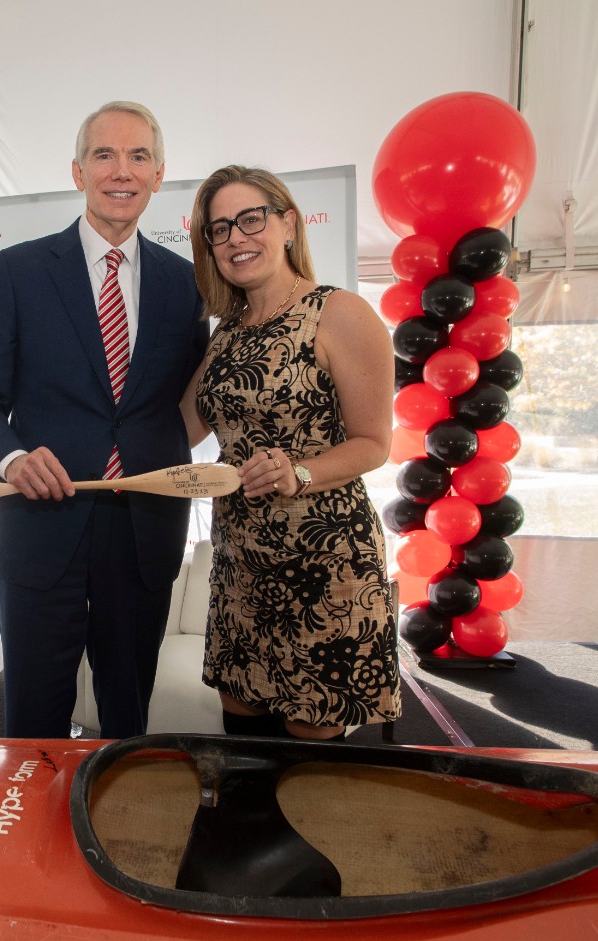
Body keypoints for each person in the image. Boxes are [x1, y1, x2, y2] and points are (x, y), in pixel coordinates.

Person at [0, 101, 209, 739]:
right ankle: (30, 834)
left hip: (145, 530)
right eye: (104, 154)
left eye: (138, 156)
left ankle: (118, 832)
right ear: (77, 171)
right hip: (41, 528)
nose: (120, 171)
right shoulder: (18, 272)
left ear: (158, 175)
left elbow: (195, 403)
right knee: (35, 719)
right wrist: (11, 458)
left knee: (128, 716)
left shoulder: (189, 285)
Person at [180, 165, 401, 741]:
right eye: (219, 229)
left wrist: (297, 471)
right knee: (243, 751)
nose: (235, 238)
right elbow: (180, 430)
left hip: (324, 568)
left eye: (250, 219)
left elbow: (375, 443)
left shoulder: (340, 313)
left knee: (311, 772)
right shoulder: (226, 331)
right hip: (240, 566)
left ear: (288, 224)